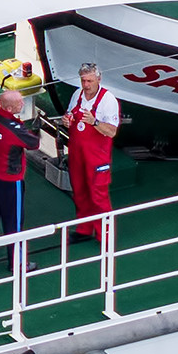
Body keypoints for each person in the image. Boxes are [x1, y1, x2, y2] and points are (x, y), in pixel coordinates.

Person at [0, 87, 40, 264]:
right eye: (20, 102)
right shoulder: (14, 129)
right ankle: (17, 262)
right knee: (14, 221)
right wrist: (34, 129)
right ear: (10, 108)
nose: (23, 103)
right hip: (11, 180)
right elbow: (33, 143)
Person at [65, 61, 122, 242]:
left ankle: (105, 237)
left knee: (98, 195)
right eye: (83, 81)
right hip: (77, 153)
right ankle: (84, 228)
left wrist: (95, 122)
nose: (86, 85)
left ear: (99, 79)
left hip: (97, 157)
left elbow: (112, 131)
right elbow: (69, 116)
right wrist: (66, 121)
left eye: (90, 81)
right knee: (79, 190)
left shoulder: (108, 100)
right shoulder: (77, 95)